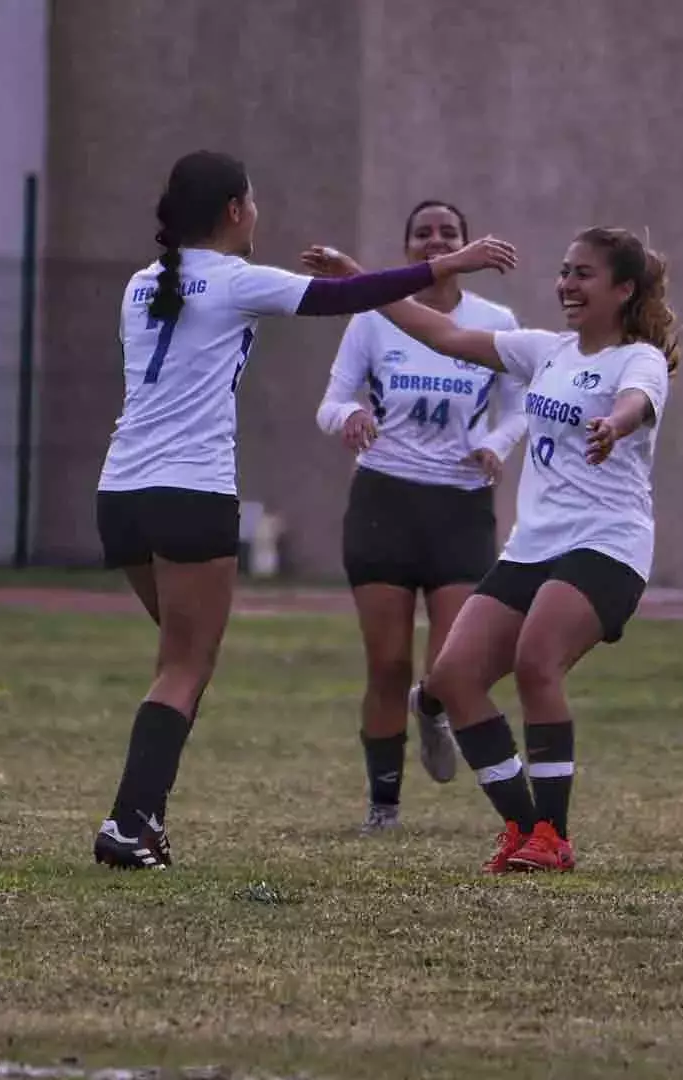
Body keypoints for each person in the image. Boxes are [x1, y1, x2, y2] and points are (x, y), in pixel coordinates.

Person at [92, 150, 517, 869]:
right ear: (234, 210)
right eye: (252, 202)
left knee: (182, 659)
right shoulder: (235, 280)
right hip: (188, 491)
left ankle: (143, 824)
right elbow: (350, 300)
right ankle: (130, 824)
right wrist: (450, 264)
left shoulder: (142, 285)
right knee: (185, 666)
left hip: (120, 493)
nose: (258, 214)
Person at [303, 226, 678, 874]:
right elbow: (440, 333)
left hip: (607, 544)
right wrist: (357, 280)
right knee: (452, 678)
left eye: (584, 274)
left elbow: (636, 403)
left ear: (623, 289)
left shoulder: (635, 360)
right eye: (564, 270)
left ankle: (552, 836)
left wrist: (613, 425)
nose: (567, 284)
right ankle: (522, 827)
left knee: (537, 660)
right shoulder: (545, 350)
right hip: (533, 546)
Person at [313, 200, 527, 835]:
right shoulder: (375, 317)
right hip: (384, 501)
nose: (436, 241)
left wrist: (497, 443)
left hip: (460, 506)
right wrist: (347, 417)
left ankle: (431, 708)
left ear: (465, 245)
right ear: (407, 246)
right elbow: (330, 400)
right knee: (386, 664)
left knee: (453, 665)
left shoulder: (496, 322)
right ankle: (383, 804)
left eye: (448, 233)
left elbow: (521, 407)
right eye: (423, 233)